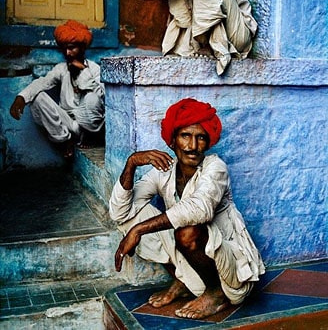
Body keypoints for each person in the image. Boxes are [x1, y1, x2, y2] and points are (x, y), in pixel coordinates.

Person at [109, 98, 265, 320]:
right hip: (195, 261)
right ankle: (184, 281)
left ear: (208, 142)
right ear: (172, 141)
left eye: (200, 137)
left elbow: (200, 209)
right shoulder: (164, 171)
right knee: (132, 218)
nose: (193, 146)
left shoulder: (215, 167)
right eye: (185, 136)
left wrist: (139, 231)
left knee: (187, 231)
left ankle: (215, 294)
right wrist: (132, 163)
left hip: (232, 272)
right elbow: (120, 212)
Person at [9, 20, 105, 159]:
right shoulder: (61, 68)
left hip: (90, 126)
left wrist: (83, 72)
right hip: (67, 123)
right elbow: (42, 82)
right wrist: (21, 98)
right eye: (65, 49)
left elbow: (103, 97)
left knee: (92, 98)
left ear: (82, 48)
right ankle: (66, 140)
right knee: (38, 98)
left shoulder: (94, 69)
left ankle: (89, 137)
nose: (68, 53)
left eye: (72, 48)